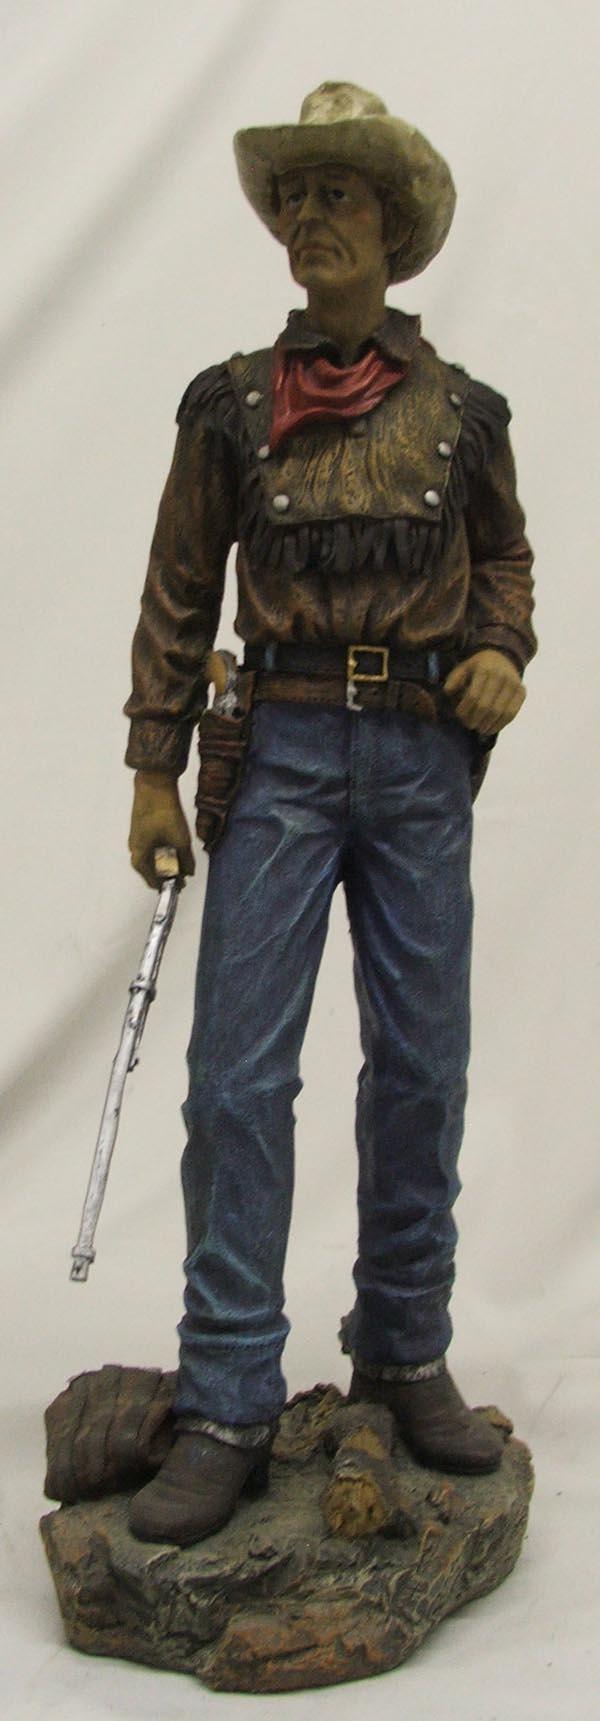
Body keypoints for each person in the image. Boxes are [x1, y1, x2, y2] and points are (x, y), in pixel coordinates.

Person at [124, 83, 535, 1546]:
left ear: (391, 225)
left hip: (420, 761)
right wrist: (153, 767)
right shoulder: (233, 406)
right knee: (236, 1077)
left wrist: (502, 650)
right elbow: (179, 588)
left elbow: (505, 560)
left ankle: (406, 1347)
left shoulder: (465, 414)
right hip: (283, 749)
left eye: (337, 196)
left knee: (421, 1065)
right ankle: (227, 1391)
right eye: (293, 199)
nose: (310, 221)